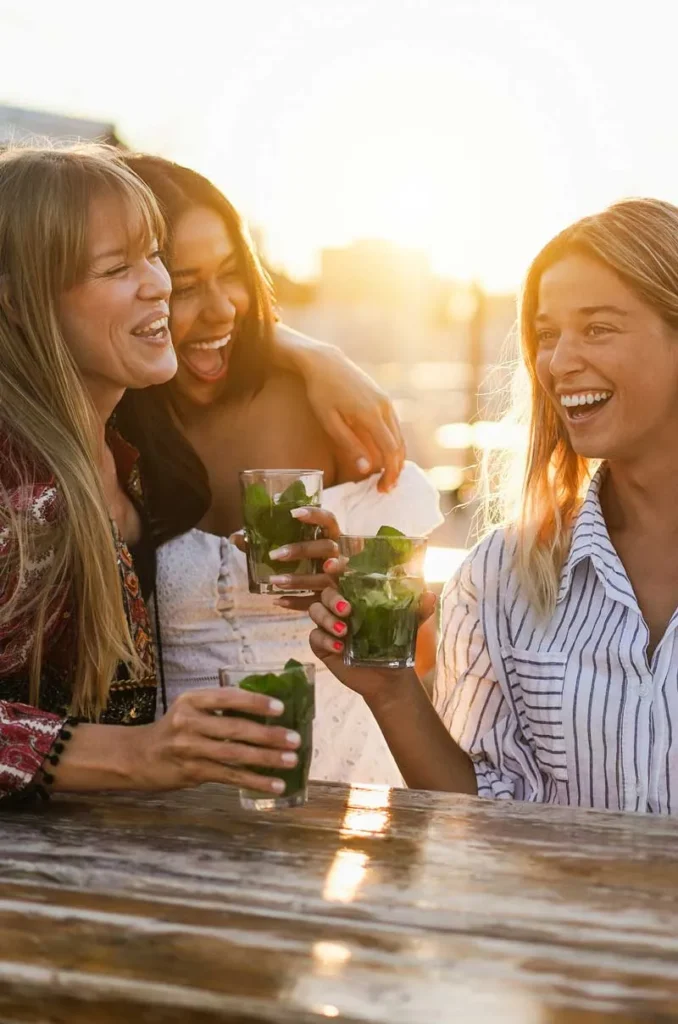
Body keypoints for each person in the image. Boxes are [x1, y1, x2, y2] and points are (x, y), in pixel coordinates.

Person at [309, 197, 678, 813]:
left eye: (598, 328)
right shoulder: (498, 575)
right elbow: (482, 815)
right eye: (547, 335)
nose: (559, 363)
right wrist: (391, 690)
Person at [0, 143, 329, 803]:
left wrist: (319, 358)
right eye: (119, 267)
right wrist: (135, 754)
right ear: (19, 302)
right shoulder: (16, 485)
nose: (159, 283)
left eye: (154, 255)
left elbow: (224, 327)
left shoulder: (136, 457)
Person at [115, 156, 442, 787]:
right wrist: (315, 348)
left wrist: (357, 585)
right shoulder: (110, 426)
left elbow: (414, 655)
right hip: (167, 813)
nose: (221, 312)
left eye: (232, 273)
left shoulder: (323, 408)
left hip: (346, 794)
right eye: (184, 285)